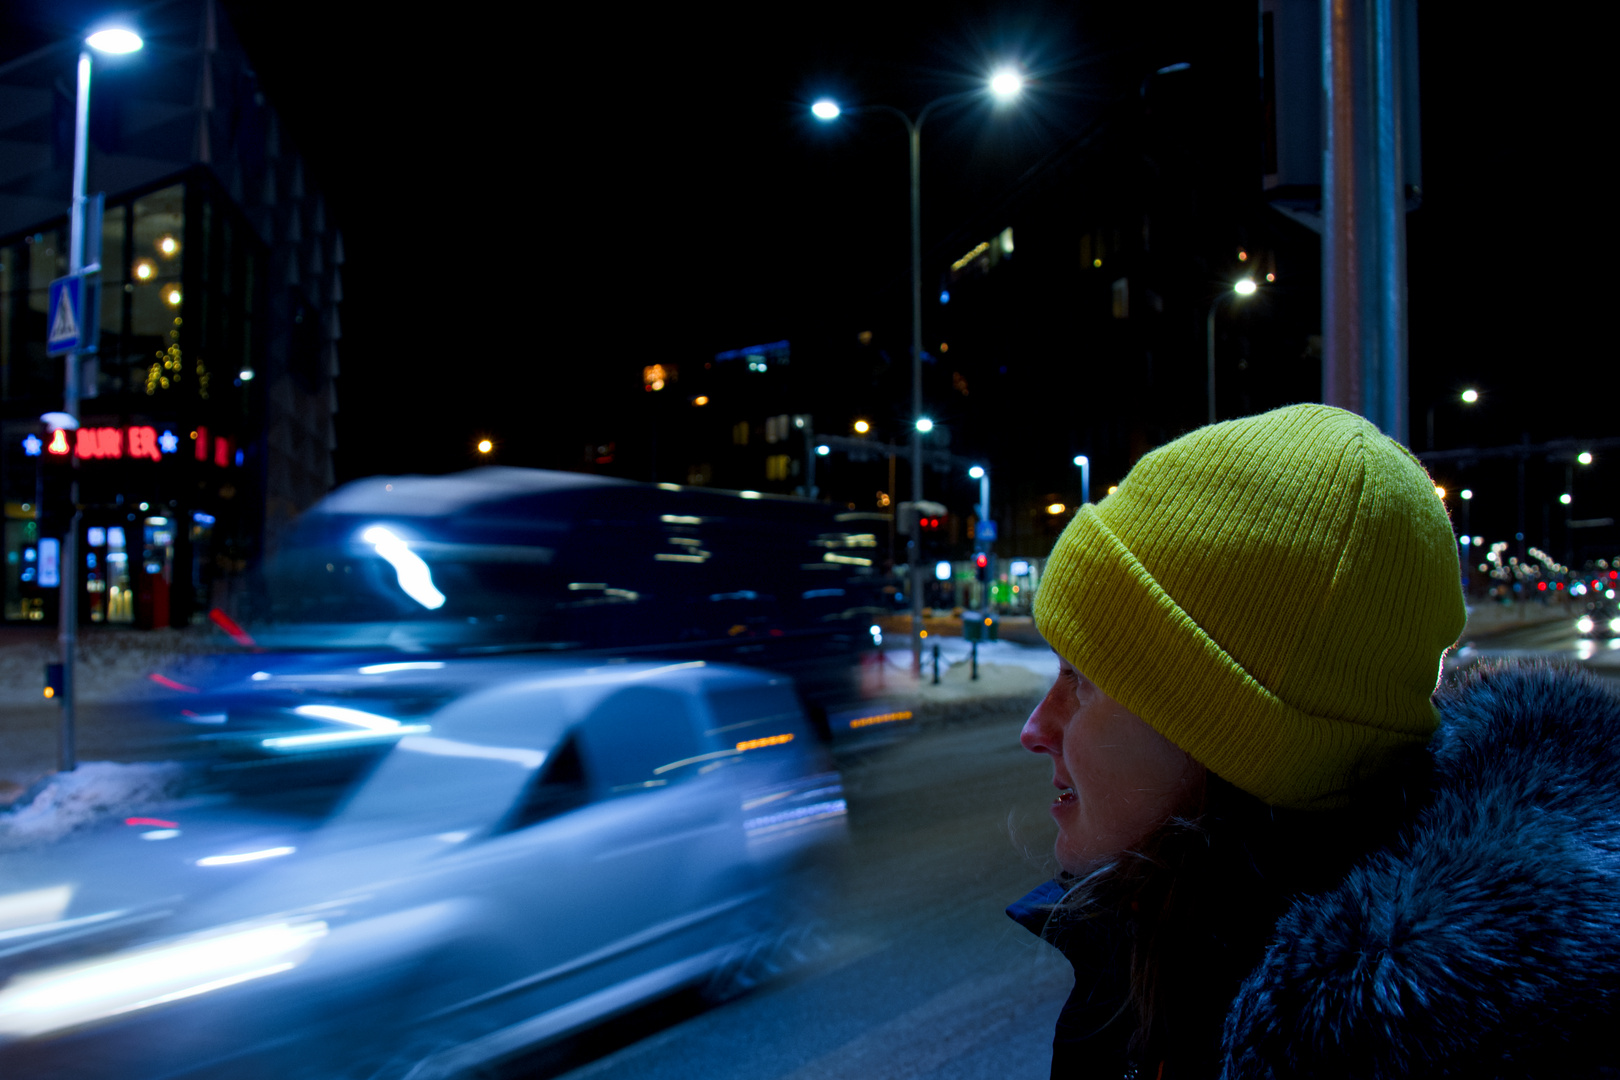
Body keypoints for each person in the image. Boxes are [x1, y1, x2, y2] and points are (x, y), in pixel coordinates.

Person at [1008, 404, 1619, 1079]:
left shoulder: (1386, 1051)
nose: (1036, 730)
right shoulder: (1153, 955)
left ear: (1231, 731)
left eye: (1081, 680)